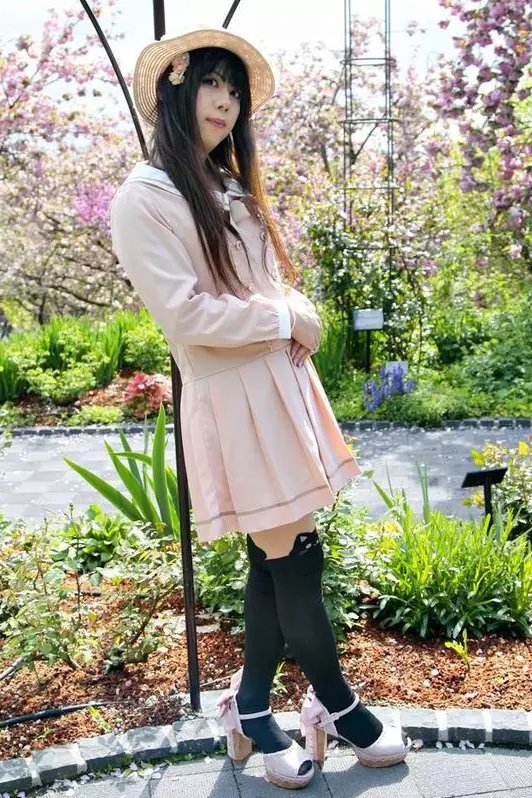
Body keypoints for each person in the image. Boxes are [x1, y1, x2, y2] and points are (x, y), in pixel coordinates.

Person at [110, 25, 411, 791]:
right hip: (233, 399)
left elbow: (267, 285)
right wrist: (284, 318)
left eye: (234, 89)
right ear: (175, 90)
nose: (225, 101)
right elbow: (186, 316)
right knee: (295, 557)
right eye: (210, 82)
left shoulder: (226, 185)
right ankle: (337, 707)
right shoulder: (144, 198)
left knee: (278, 557)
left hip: (275, 388)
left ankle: (249, 708)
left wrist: (296, 309)